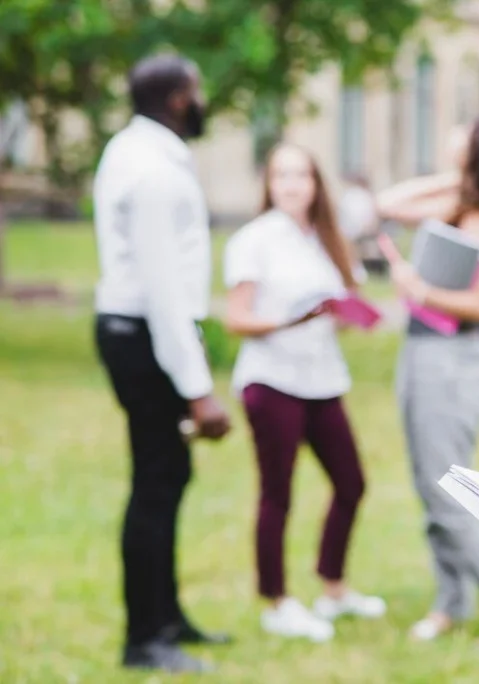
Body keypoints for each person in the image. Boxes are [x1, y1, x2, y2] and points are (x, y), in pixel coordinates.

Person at [375, 116, 479, 649]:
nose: (453, 131)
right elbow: (389, 203)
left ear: (477, 153)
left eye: (465, 133)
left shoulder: (478, 221)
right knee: (430, 485)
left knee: (447, 488)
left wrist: (418, 290)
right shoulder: (461, 202)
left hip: (453, 361)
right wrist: (462, 176)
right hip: (426, 351)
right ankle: (451, 602)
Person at [93, 53, 232, 674]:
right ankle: (145, 639)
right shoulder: (151, 169)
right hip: (145, 334)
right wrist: (199, 389)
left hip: (142, 332)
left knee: (169, 474)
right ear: (178, 98)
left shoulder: (136, 150)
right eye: (196, 90)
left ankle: (167, 620)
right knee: (155, 482)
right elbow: (163, 290)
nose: (201, 101)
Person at [222, 142, 386, 642]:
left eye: (301, 175)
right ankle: (277, 603)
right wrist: (292, 320)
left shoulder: (326, 239)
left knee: (351, 483)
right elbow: (236, 318)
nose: (292, 184)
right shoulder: (254, 240)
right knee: (278, 494)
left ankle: (333, 588)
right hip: (271, 380)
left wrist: (348, 317)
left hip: (322, 380)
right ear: (269, 184)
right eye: (281, 175)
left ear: (316, 184)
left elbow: (344, 304)